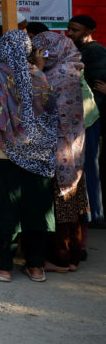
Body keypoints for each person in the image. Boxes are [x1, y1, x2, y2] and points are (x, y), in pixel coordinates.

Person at [0, 30, 58, 283]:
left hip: (0, 153)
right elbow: (51, 114)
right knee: (38, 210)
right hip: (39, 155)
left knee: (5, 211)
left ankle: (3, 266)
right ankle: (36, 267)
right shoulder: (39, 77)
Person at [32, 31, 88, 271]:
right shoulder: (72, 69)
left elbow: (40, 104)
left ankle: (60, 256)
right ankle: (73, 253)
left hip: (58, 150)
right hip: (73, 149)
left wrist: (37, 71)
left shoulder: (56, 75)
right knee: (71, 203)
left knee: (59, 204)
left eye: (41, 51)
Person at [67, 14, 106, 226]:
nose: (70, 33)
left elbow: (99, 87)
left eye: (75, 30)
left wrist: (89, 117)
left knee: (90, 166)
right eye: (69, 29)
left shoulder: (95, 51)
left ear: (89, 32)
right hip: (83, 119)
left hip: (88, 120)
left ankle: (95, 215)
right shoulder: (79, 51)